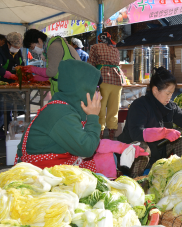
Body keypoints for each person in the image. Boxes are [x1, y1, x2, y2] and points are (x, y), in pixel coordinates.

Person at [15, 59, 148, 179]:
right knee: (101, 170)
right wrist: (92, 116)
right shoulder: (60, 113)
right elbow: (87, 149)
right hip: (37, 176)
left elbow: (92, 143)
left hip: (53, 168)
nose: (99, 96)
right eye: (96, 89)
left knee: (108, 158)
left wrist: (122, 147)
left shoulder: (67, 108)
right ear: (81, 90)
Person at [117, 67, 182, 172]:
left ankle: (181, 171)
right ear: (155, 90)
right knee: (141, 146)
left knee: (180, 135)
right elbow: (136, 133)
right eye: (167, 93)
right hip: (131, 158)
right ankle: (136, 179)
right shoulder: (140, 105)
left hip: (157, 154)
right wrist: (164, 133)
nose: (170, 97)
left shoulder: (170, 107)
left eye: (171, 93)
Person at [88, 32, 125, 140]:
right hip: (117, 80)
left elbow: (91, 64)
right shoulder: (115, 49)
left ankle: (100, 134)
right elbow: (118, 64)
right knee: (114, 109)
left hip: (103, 78)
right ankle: (112, 134)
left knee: (101, 108)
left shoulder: (95, 47)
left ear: (99, 39)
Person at [22, 29, 81, 95]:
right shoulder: (54, 46)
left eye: (32, 47)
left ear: (39, 40)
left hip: (70, 89)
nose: (33, 50)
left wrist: (33, 69)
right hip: (69, 87)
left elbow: (50, 72)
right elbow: (54, 73)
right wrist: (33, 78)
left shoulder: (54, 47)